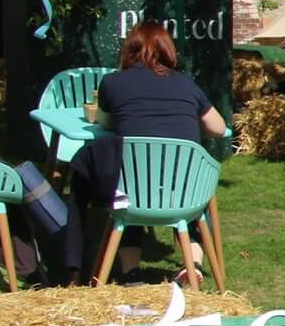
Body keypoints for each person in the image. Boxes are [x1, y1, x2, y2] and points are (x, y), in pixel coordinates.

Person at [66, 22, 233, 283]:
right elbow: (219, 127)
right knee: (180, 182)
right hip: (185, 192)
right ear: (168, 51)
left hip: (134, 191)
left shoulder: (113, 82)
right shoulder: (186, 84)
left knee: (124, 182)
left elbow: (106, 122)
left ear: (128, 50)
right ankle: (194, 264)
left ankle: (124, 270)